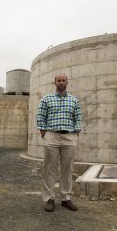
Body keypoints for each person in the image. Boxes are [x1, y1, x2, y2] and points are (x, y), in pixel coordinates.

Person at [36, 74, 82, 212]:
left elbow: (78, 117)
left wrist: (76, 133)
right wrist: (44, 135)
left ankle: (65, 198)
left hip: (69, 137)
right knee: (49, 168)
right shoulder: (46, 99)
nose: (61, 83)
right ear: (55, 83)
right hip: (52, 136)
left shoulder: (74, 100)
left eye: (63, 80)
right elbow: (40, 117)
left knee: (67, 169)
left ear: (67, 82)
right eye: (59, 81)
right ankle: (49, 198)